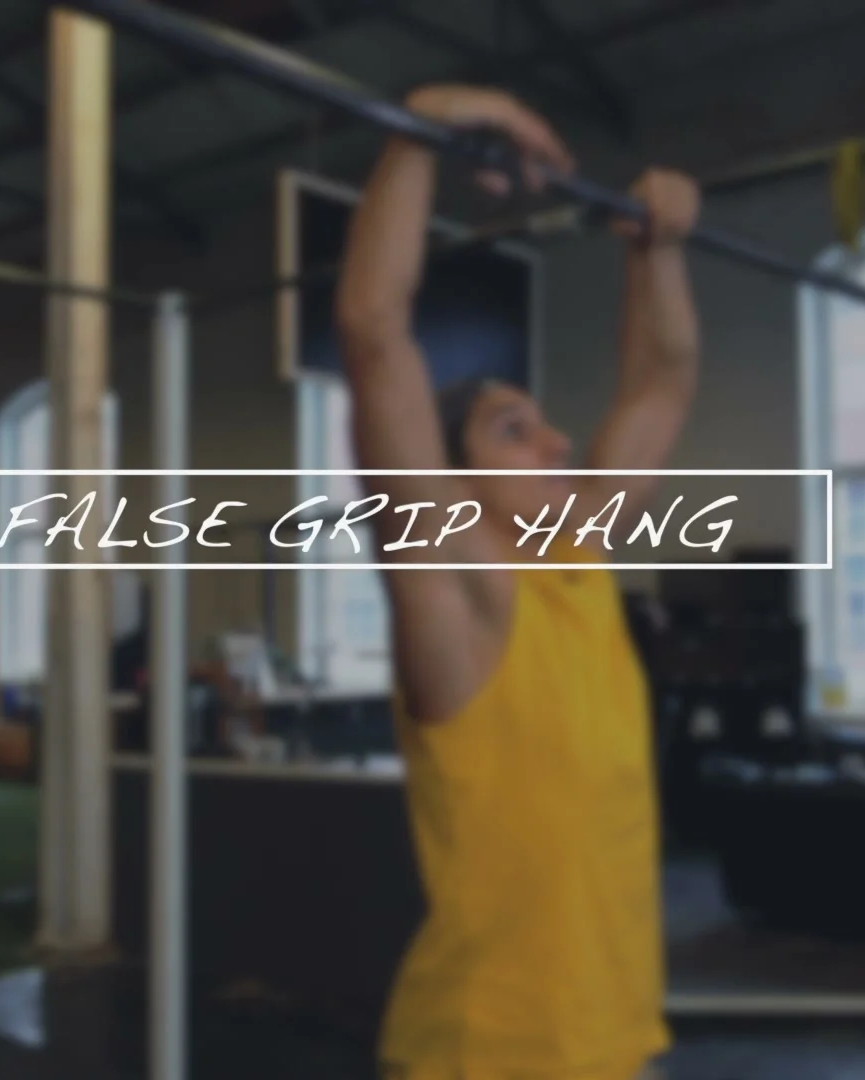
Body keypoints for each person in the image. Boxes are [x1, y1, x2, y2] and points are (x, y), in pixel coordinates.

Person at [334, 84, 702, 1080]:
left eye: (543, 422)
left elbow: (662, 382)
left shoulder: (576, 560)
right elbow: (374, 331)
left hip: (616, 1042)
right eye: (512, 429)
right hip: (489, 1057)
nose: (556, 440)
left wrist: (658, 250)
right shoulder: (464, 596)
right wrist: (431, 120)